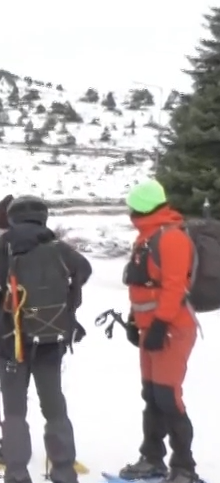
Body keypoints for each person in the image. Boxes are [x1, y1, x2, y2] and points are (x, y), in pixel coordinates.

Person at [0, 195, 92, 483]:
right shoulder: (59, 248)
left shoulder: (3, 249)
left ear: (14, 218)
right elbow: (84, 270)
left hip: (9, 342)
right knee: (54, 406)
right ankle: (64, 471)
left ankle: (17, 474)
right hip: (51, 341)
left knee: (15, 411)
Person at [118, 179, 199, 483]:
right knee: (151, 394)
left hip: (172, 330)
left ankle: (184, 467)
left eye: (132, 207)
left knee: (168, 396)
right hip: (150, 329)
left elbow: (174, 286)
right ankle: (152, 459)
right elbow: (142, 286)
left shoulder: (171, 238)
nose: (129, 212)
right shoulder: (146, 237)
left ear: (141, 207)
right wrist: (132, 320)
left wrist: (160, 324)